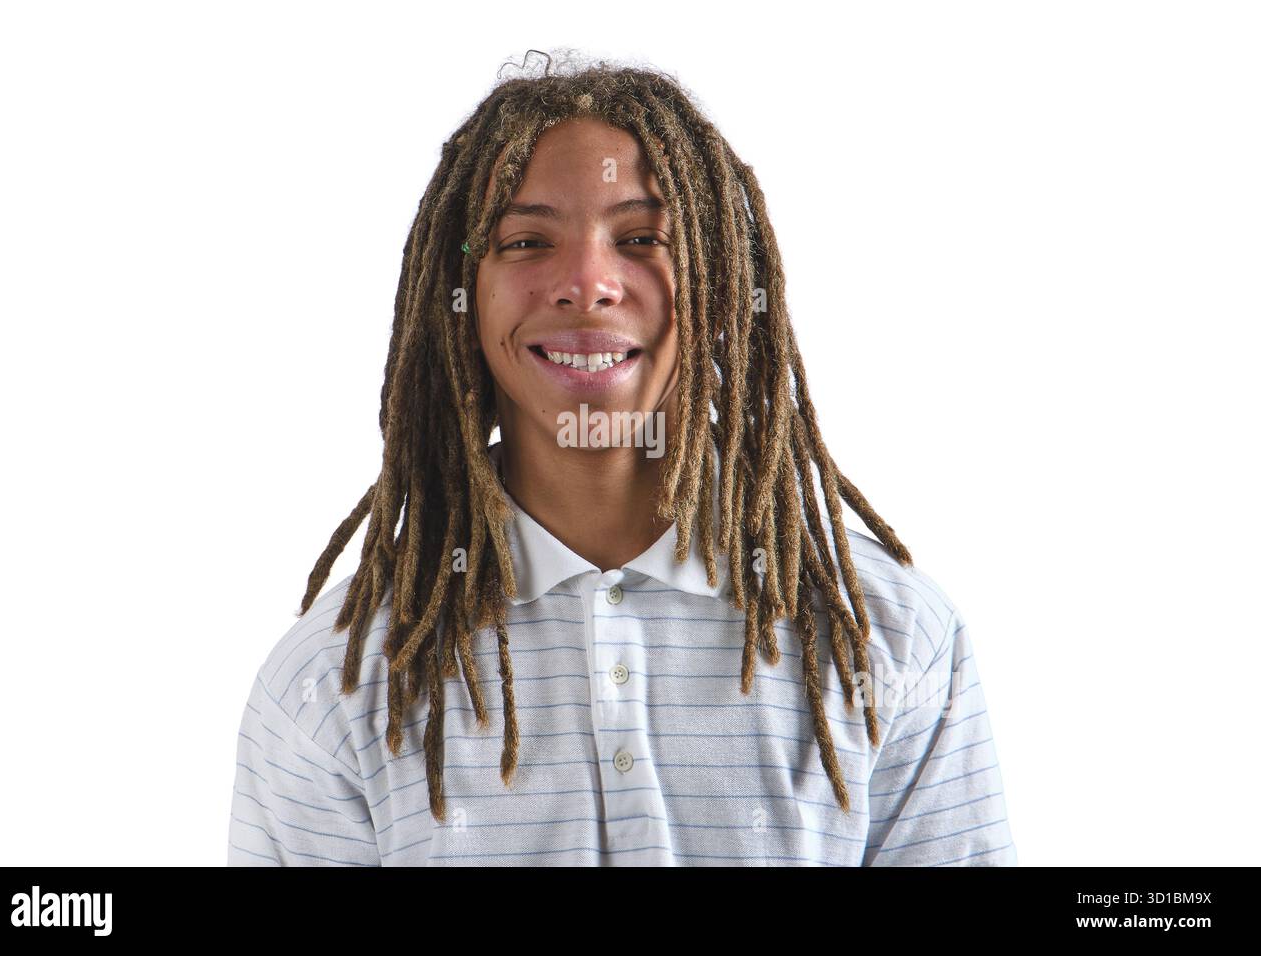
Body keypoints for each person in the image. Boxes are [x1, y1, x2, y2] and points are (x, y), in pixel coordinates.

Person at [226, 54, 1017, 866]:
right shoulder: (332, 683)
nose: (587, 283)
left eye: (641, 239)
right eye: (526, 241)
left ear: (719, 284)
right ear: (459, 299)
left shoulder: (887, 639)